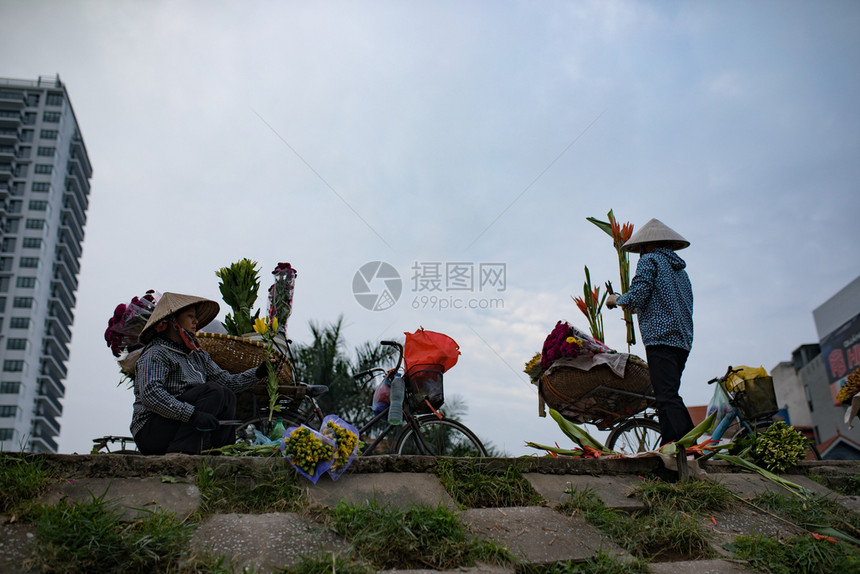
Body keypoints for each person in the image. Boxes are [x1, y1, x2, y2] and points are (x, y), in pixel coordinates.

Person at [130, 292, 267, 455]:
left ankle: (219, 453)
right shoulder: (156, 353)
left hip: (178, 424)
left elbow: (227, 381)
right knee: (213, 391)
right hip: (151, 431)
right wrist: (192, 414)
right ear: (172, 321)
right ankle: (182, 454)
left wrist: (257, 373)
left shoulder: (197, 355)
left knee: (226, 394)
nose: (196, 321)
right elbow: (151, 394)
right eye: (190, 316)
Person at [606, 219, 694, 445]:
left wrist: (617, 299)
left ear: (647, 245)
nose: (640, 254)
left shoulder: (649, 261)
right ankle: (669, 443)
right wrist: (632, 305)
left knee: (666, 395)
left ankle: (690, 444)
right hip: (682, 340)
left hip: (660, 338)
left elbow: (636, 297)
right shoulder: (681, 271)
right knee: (665, 394)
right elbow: (655, 301)